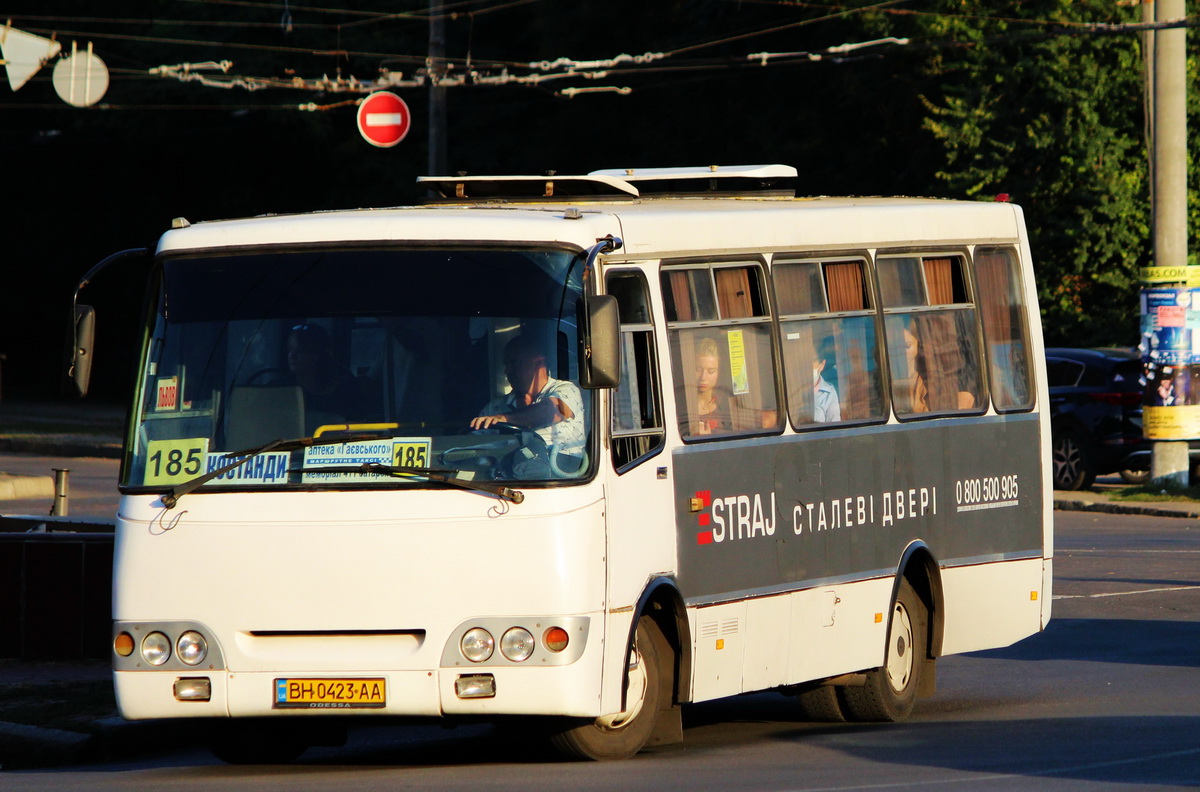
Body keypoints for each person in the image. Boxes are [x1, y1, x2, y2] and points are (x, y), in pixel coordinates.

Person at [470, 334, 585, 459]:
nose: (507, 370)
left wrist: (505, 419)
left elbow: (554, 411)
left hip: (563, 474)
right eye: (506, 365)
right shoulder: (495, 408)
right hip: (510, 475)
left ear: (539, 361)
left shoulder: (566, 390)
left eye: (514, 363)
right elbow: (472, 446)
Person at [286, 324, 366, 432]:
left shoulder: (347, 391)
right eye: (290, 349)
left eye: (301, 350)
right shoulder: (282, 390)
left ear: (320, 354)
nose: (292, 355)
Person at [685, 336, 732, 436]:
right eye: (698, 369)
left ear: (719, 372)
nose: (703, 377)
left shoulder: (726, 403)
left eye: (711, 371)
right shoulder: (683, 406)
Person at [813, 338, 841, 423]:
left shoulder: (830, 392)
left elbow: (834, 428)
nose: (808, 366)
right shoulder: (791, 388)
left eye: (812, 361)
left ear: (822, 365)